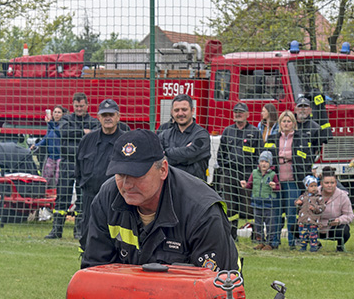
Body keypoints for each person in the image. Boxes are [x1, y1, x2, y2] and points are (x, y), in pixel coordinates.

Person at [81, 129, 238, 271]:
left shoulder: (201, 211)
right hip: (130, 290)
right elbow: (94, 269)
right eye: (120, 174)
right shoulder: (107, 198)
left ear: (163, 169)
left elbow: (215, 285)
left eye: (136, 175)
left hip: (190, 291)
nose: (127, 185)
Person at [74, 99, 130, 248]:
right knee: (87, 235)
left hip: (117, 199)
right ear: (98, 117)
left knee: (116, 238)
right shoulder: (87, 140)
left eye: (111, 114)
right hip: (90, 198)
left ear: (118, 116)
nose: (108, 118)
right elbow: (78, 169)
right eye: (104, 115)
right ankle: (87, 259)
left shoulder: (126, 141)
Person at [46, 92, 98, 239]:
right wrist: (83, 132)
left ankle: (79, 231)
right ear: (73, 106)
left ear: (87, 105)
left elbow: (95, 135)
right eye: (76, 106)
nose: (79, 109)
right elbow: (64, 132)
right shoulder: (66, 119)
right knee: (62, 196)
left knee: (82, 198)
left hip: (85, 164)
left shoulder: (94, 121)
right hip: (67, 162)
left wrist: (78, 134)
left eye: (81, 106)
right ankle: (56, 230)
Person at [264, 110, 315, 248]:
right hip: (276, 182)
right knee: (276, 212)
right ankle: (274, 241)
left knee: (291, 213)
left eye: (289, 121)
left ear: (293, 123)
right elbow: (265, 157)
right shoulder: (272, 138)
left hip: (293, 181)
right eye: (283, 121)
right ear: (280, 123)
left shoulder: (302, 138)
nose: (286, 124)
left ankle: (292, 242)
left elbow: (308, 158)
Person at [216, 102, 260, 232]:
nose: (238, 114)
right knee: (229, 204)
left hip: (247, 173)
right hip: (229, 173)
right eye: (235, 112)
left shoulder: (254, 132)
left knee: (248, 205)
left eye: (241, 112)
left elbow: (259, 154)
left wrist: (253, 173)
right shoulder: (228, 131)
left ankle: (251, 233)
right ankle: (231, 233)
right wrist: (224, 170)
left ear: (247, 115)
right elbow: (221, 153)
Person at [157, 94, 211, 181]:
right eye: (176, 110)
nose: (180, 113)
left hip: (194, 185)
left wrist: (166, 153)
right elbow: (157, 157)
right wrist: (183, 152)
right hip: (170, 184)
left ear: (192, 111)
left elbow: (189, 154)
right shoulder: (164, 135)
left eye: (184, 110)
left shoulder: (202, 135)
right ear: (172, 112)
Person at [240, 150, 278, 250]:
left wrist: (275, 186)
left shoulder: (273, 174)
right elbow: (250, 185)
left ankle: (269, 243)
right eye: (262, 161)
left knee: (270, 225)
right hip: (256, 203)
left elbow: (278, 187)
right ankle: (260, 242)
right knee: (258, 224)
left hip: (268, 204)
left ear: (270, 163)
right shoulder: (254, 173)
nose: (263, 164)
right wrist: (245, 185)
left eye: (266, 162)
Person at [317, 166, 354, 251]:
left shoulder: (342, 195)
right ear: (321, 183)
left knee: (345, 229)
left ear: (336, 183)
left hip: (333, 228)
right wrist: (314, 222)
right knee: (296, 227)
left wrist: (339, 220)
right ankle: (315, 243)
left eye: (332, 183)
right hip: (315, 227)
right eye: (326, 183)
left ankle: (340, 246)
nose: (329, 185)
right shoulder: (313, 193)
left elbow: (350, 215)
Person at [31, 105, 65, 189]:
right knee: (46, 177)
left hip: (60, 157)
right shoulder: (51, 126)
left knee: (58, 179)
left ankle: (58, 194)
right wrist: (36, 145)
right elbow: (46, 138)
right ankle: (43, 192)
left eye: (59, 112)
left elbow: (59, 133)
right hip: (51, 156)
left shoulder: (64, 125)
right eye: (55, 112)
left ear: (62, 115)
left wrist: (50, 123)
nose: (56, 114)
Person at [294, 175, 325, 252]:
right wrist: (298, 203)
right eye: (311, 186)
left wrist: (315, 208)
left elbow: (322, 207)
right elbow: (297, 206)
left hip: (313, 221)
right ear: (306, 186)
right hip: (303, 220)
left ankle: (313, 246)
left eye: (315, 186)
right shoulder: (303, 197)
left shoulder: (319, 197)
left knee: (313, 234)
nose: (314, 188)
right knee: (303, 234)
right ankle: (303, 246)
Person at [294, 96, 325, 161]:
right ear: (295, 109)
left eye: (305, 107)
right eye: (300, 106)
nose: (302, 109)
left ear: (310, 110)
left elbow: (317, 149)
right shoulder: (289, 124)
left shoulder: (316, 128)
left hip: (307, 161)